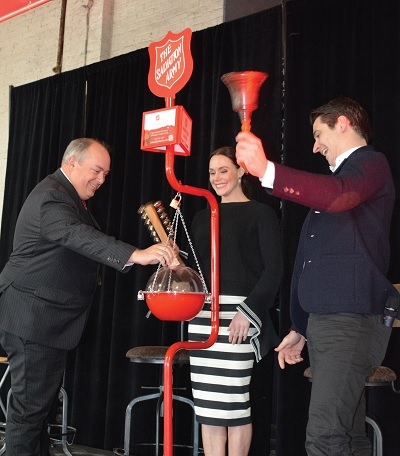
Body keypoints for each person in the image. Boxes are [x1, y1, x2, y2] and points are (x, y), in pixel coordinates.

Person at [236, 97, 400, 455]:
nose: (315, 146)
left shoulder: (369, 163)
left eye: (318, 133)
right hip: (333, 322)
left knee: (325, 438)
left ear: (343, 123)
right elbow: (313, 262)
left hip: (350, 321)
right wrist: (301, 327)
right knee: (347, 437)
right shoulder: (337, 186)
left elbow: (338, 198)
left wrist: (266, 170)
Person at [0, 138, 178, 456]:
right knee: (28, 418)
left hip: (42, 320)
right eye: (96, 171)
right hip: (32, 319)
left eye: (106, 174)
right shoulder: (52, 198)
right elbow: (76, 235)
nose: (101, 180)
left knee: (37, 417)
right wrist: (136, 254)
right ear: (72, 163)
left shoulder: (65, 196)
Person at [187, 146, 283, 456]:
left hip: (240, 317)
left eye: (223, 170)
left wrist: (249, 310)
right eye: (212, 172)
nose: (216, 178)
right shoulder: (201, 217)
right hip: (201, 317)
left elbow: (275, 271)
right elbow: (195, 273)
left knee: (234, 401)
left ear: (241, 171)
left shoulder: (261, 213)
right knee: (208, 405)